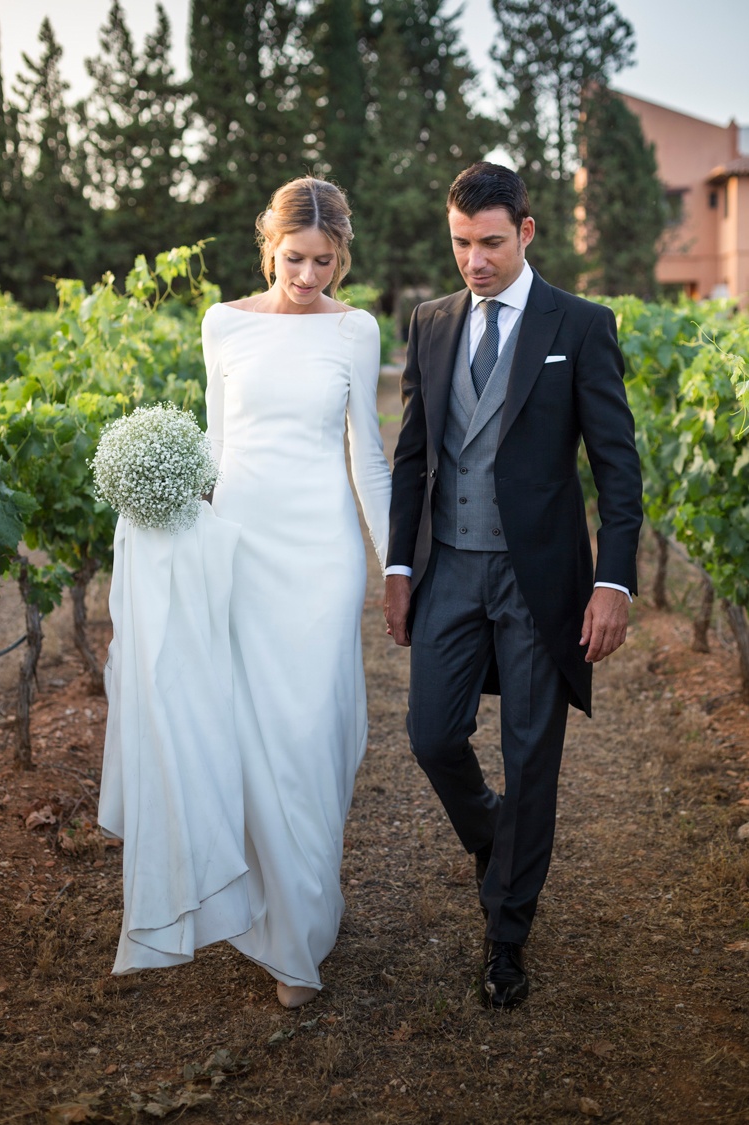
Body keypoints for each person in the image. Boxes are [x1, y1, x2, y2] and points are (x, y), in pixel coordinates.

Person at [99, 176, 391, 1010]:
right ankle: (284, 934)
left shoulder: (356, 329)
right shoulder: (222, 323)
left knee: (310, 734)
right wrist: (169, 524)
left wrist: (396, 564)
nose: (308, 278)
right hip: (244, 547)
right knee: (250, 728)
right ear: (270, 247)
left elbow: (367, 456)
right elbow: (217, 448)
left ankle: (304, 914)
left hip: (323, 553)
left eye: (325, 262)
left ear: (342, 257)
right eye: (295, 259)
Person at [384, 162, 642, 1009]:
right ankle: (495, 836)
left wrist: (614, 580)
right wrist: (397, 566)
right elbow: (414, 455)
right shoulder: (428, 324)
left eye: (490, 242)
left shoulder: (582, 324)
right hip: (451, 566)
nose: (474, 260)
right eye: (460, 243)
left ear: (526, 232)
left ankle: (505, 935)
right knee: (430, 736)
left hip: (541, 579)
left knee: (533, 758)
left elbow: (617, 466)